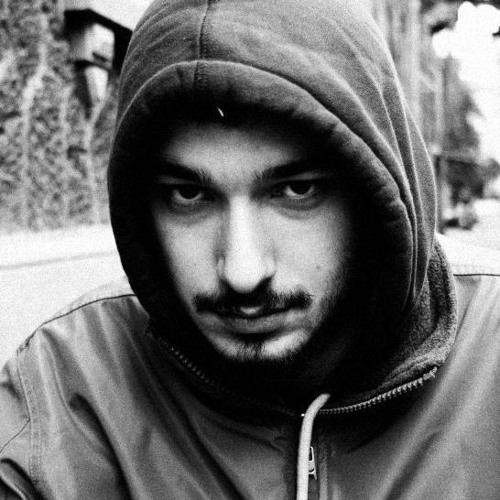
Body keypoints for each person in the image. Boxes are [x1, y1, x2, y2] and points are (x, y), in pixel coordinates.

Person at [1, 0, 500, 498]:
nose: (242, 272)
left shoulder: (491, 349)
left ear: (371, 191)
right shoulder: (64, 387)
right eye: (189, 195)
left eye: (297, 190)